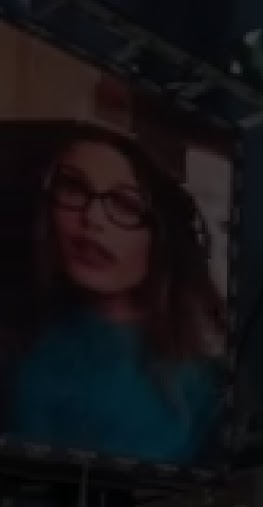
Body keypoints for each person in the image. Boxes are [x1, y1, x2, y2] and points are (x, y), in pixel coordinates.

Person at [1, 124, 227, 464]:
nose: (91, 219)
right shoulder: (18, 335)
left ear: (163, 235)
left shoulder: (207, 386)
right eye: (74, 188)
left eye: (124, 205)